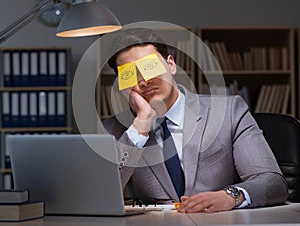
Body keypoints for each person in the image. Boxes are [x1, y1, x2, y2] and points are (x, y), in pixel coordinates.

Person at [102, 28, 288, 213]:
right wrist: (140, 126)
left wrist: (231, 196)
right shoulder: (115, 131)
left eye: (149, 67)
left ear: (171, 65)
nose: (143, 81)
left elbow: (273, 183)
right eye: (129, 75)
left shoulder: (228, 112)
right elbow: (101, 193)